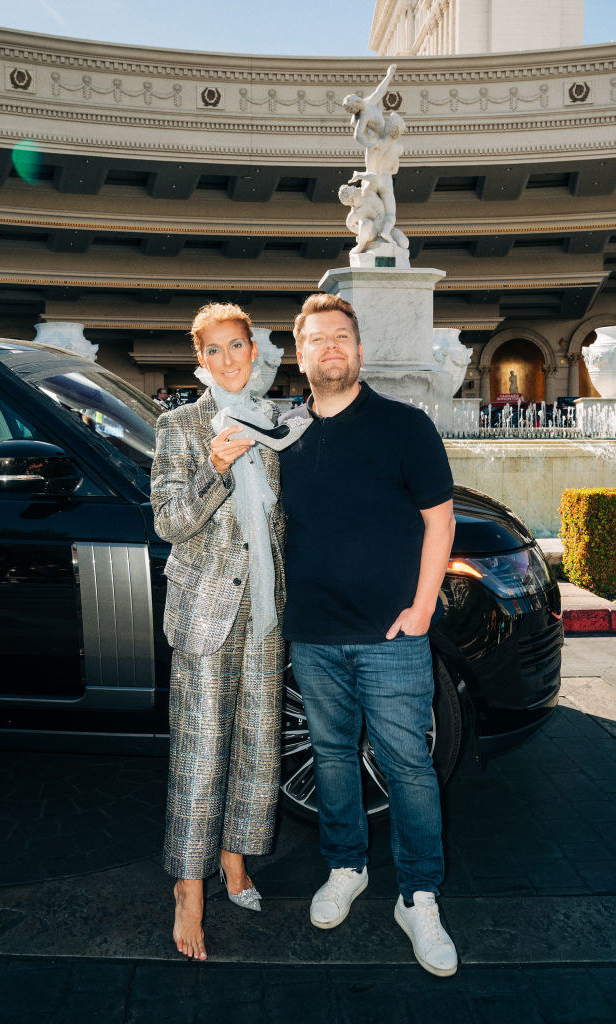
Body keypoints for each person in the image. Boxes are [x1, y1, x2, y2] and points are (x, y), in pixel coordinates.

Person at [279, 292, 459, 977]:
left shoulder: (403, 426)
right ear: (300, 355)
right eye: (316, 338)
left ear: (357, 350)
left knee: (408, 769)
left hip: (391, 637)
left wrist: (419, 611)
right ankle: (346, 867)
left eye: (340, 337)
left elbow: (439, 522)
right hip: (313, 635)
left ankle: (417, 896)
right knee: (330, 759)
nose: (329, 347)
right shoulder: (286, 435)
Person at [150, 303, 289, 962]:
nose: (229, 359)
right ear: (198, 360)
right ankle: (188, 888)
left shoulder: (277, 423)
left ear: (253, 351)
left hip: (265, 609)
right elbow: (169, 522)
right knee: (201, 755)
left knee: (257, 749)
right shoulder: (178, 425)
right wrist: (215, 466)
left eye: (238, 347)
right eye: (216, 351)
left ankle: (234, 859)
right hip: (206, 607)